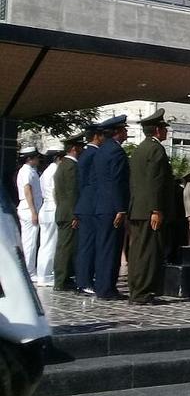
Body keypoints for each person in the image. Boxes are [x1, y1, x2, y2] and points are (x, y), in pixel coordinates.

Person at [127, 108, 173, 305]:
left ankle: (138, 290)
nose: (166, 132)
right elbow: (155, 181)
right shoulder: (155, 149)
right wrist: (156, 209)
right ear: (156, 129)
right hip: (149, 210)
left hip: (138, 208)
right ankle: (143, 292)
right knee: (148, 252)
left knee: (138, 251)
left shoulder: (140, 148)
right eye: (163, 128)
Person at [93, 115, 130, 300]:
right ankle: (107, 288)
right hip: (112, 208)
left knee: (103, 247)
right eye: (124, 130)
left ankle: (102, 285)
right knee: (111, 248)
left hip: (101, 206)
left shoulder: (101, 150)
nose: (126, 133)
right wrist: (121, 208)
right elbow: (117, 182)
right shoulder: (116, 152)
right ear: (117, 132)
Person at [73, 124, 104, 295]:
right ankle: (84, 281)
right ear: (96, 137)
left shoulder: (86, 154)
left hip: (86, 204)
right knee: (88, 245)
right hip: (91, 205)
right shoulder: (93, 154)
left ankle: (84, 279)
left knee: (86, 245)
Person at [53, 134, 84, 291]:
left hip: (63, 211)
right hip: (68, 213)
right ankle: (61, 280)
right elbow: (72, 192)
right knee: (66, 247)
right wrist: (75, 214)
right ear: (73, 148)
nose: (82, 149)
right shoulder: (71, 166)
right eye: (80, 147)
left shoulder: (63, 165)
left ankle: (62, 278)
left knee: (64, 246)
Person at [15, 147, 43, 281]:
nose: (38, 159)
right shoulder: (26, 171)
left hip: (29, 208)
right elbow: (27, 190)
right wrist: (33, 211)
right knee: (29, 242)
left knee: (30, 240)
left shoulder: (31, 171)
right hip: (28, 209)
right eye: (35, 157)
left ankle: (29, 269)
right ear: (29, 159)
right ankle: (29, 271)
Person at [35, 148, 62, 286]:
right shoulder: (55, 171)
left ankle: (42, 274)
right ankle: (46, 275)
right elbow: (55, 192)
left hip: (45, 208)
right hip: (52, 207)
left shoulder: (45, 172)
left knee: (45, 244)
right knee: (51, 244)